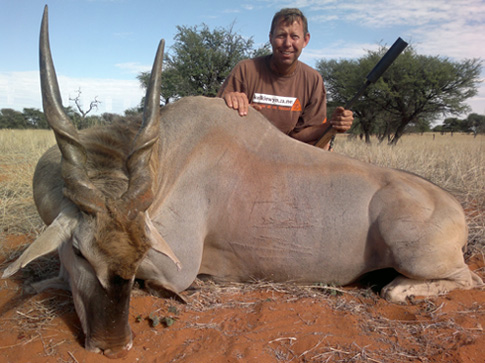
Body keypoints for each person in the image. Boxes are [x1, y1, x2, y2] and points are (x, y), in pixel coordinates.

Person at [217, 8, 353, 149]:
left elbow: (299, 135)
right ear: (270, 38)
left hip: (288, 154)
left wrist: (332, 125)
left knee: (324, 146)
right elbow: (218, 121)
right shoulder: (245, 69)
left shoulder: (313, 79)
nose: (287, 43)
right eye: (281, 35)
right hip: (246, 149)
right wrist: (234, 108)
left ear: (305, 40)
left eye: (294, 36)